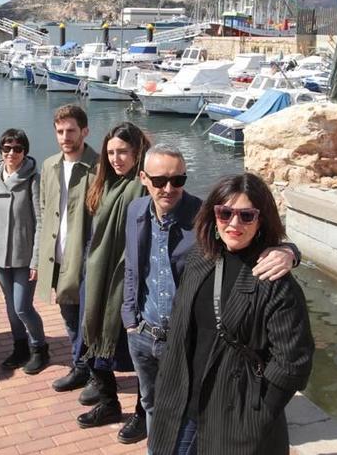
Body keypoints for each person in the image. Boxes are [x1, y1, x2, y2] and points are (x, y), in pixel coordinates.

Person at [121, 145, 300, 441]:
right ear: (143, 178)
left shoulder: (206, 216)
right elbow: (132, 265)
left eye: (178, 180)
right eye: (159, 180)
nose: (169, 188)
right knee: (152, 404)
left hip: (182, 342)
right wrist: (129, 318)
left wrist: (289, 252)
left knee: (191, 417)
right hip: (142, 330)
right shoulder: (136, 210)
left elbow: (247, 233)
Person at [150, 173, 315, 455]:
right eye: (225, 213)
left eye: (246, 216)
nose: (234, 224)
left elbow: (292, 363)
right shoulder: (201, 259)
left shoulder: (274, 281)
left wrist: (256, 414)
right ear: (214, 214)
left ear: (261, 219)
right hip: (179, 405)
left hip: (233, 418)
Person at [78, 122, 150, 435]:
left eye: (122, 151)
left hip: (130, 280)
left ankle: (143, 413)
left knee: (136, 352)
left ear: (138, 152)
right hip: (97, 277)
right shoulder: (105, 183)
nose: (116, 158)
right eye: (110, 152)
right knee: (91, 336)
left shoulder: (145, 185)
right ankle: (109, 401)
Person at [35, 104, 98, 391]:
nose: (65, 137)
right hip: (56, 258)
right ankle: (81, 367)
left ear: (84, 131)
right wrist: (37, 259)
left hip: (85, 259)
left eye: (71, 130)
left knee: (90, 319)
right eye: (60, 131)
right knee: (70, 316)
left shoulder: (99, 168)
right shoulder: (49, 166)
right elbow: (44, 213)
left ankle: (92, 372)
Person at [0, 129, 48, 374]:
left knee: (23, 306)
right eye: (7, 148)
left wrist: (36, 259)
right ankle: (19, 347)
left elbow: (41, 220)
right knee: (11, 306)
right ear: (0, 150)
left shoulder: (33, 178)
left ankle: (40, 349)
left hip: (24, 256)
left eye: (17, 148)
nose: (11, 153)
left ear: (25, 151)